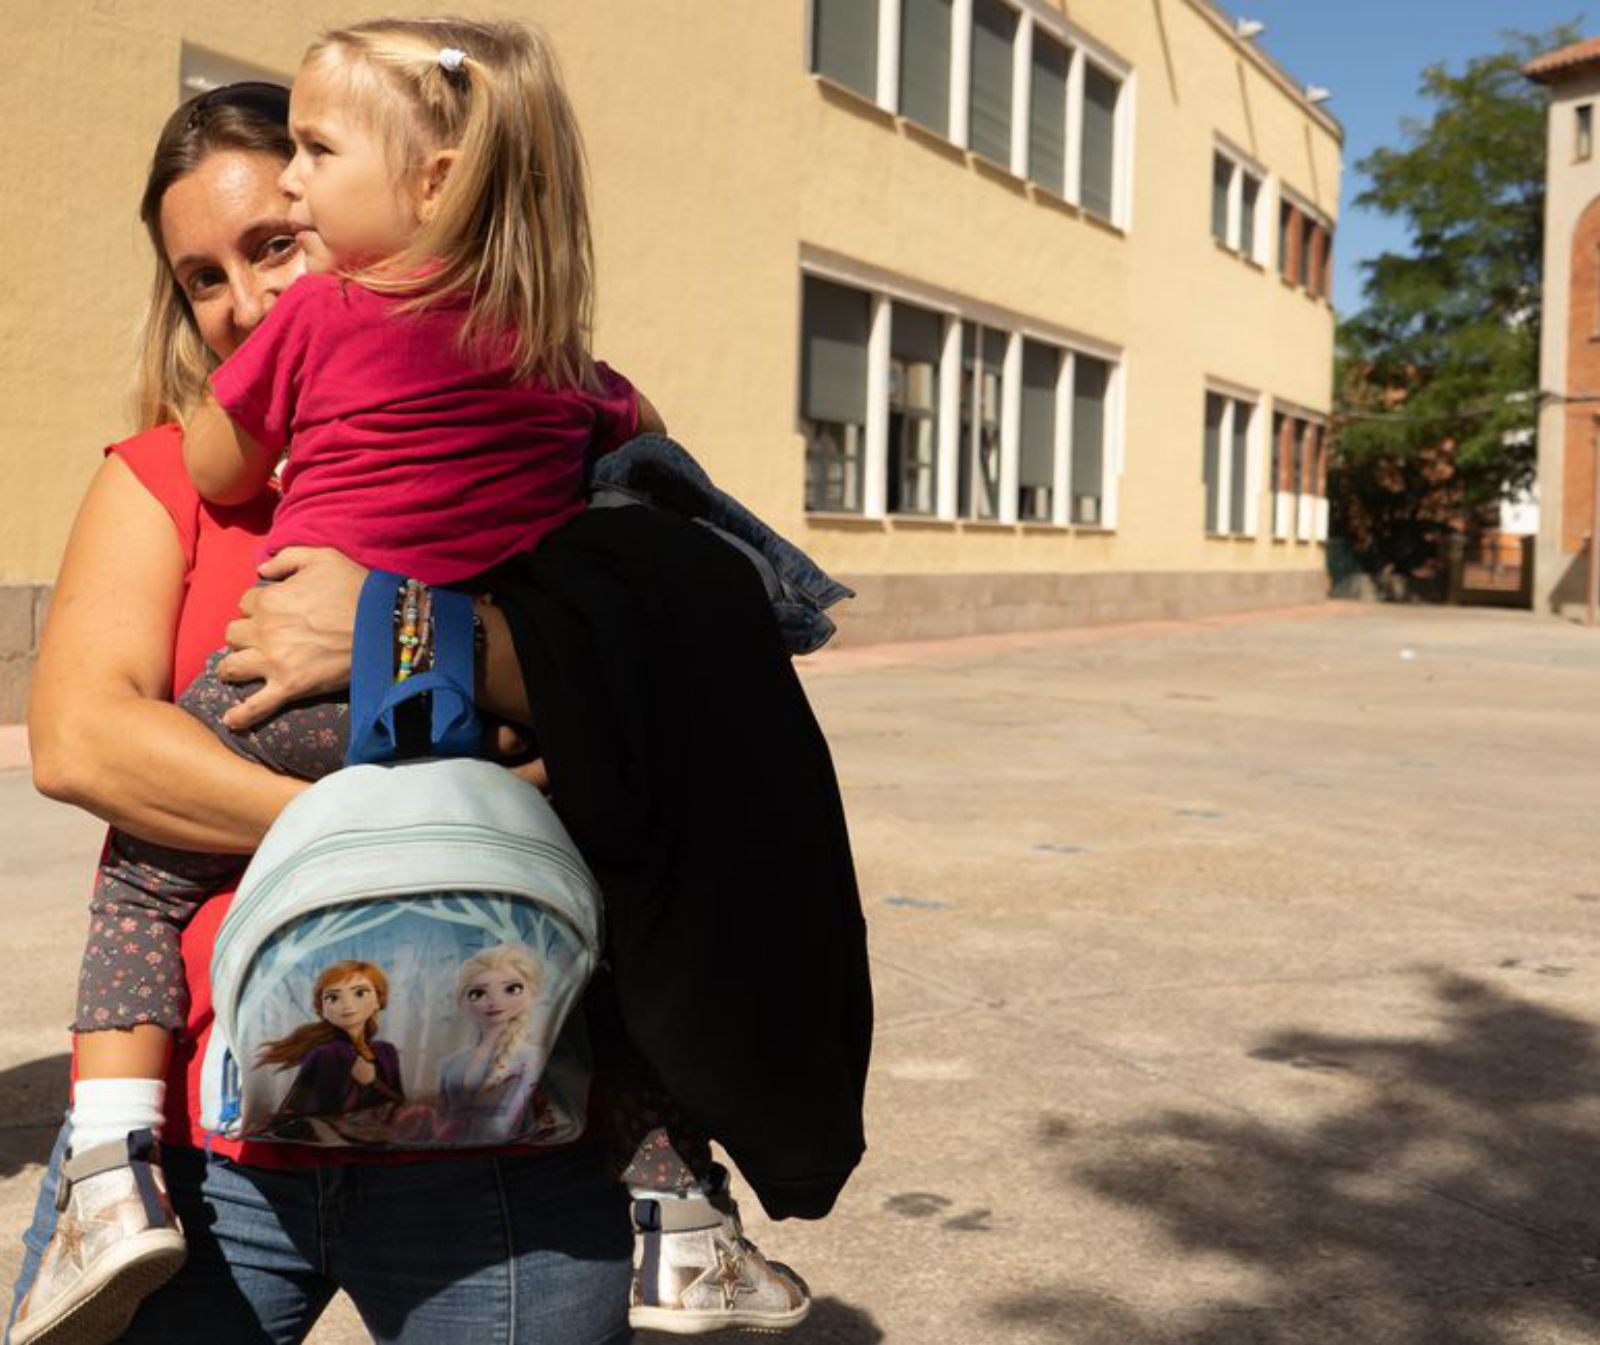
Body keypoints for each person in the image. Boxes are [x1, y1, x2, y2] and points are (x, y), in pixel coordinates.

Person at [13, 80, 632, 1345]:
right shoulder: (160, 479)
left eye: (273, 246)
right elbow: (80, 740)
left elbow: (658, 688)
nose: (244, 303)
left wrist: (409, 624)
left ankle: (686, 1200)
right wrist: (391, 832)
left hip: (504, 1128)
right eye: (201, 277)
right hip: (205, 1155)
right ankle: (106, 1177)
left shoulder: (511, 414)